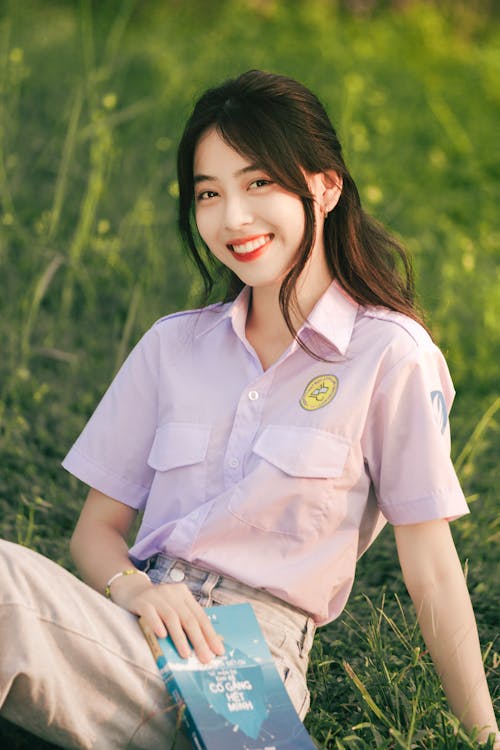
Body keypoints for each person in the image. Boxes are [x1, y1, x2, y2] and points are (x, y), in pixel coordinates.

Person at [0, 70, 498, 749]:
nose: (233, 218)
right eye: (209, 194)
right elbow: (96, 531)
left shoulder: (390, 355)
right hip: (134, 625)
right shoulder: (172, 346)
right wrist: (137, 592)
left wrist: (483, 736)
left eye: (259, 183)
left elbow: (432, 568)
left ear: (324, 187)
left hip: (245, 666)